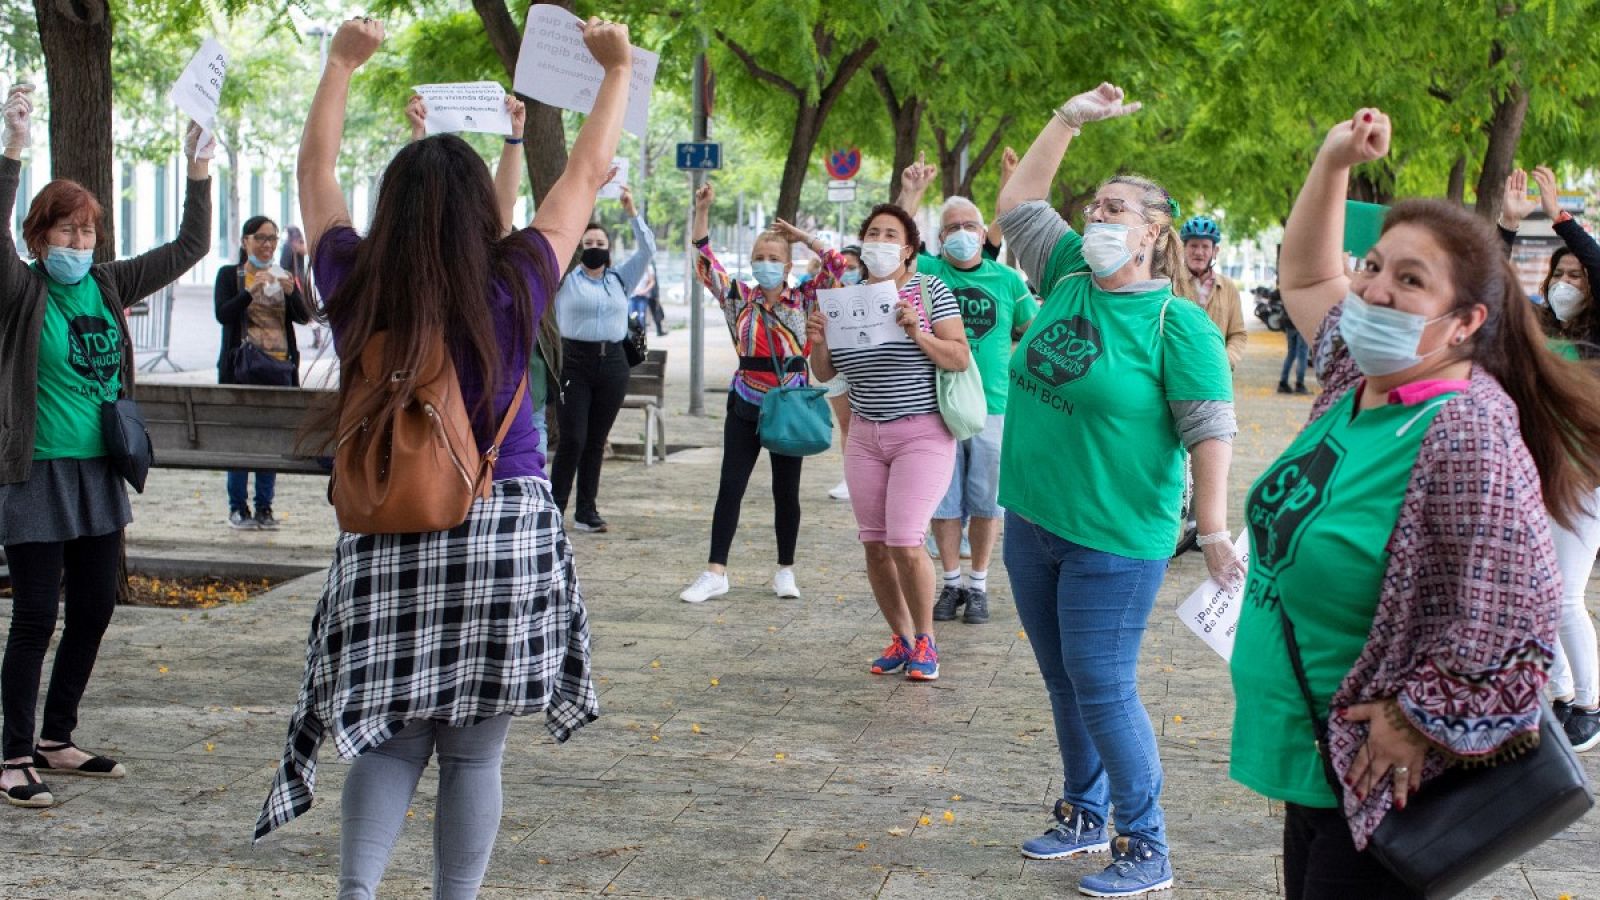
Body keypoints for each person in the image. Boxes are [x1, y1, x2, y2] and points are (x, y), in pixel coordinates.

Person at [252, 19, 630, 900]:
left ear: (393, 206)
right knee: (473, 752)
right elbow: (579, 173)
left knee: (389, 740)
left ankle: (357, 893)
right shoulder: (515, 279)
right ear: (482, 215)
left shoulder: (351, 277)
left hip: (387, 526)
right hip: (504, 529)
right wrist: (612, 72)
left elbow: (315, 172)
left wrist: (340, 64)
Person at [1231, 109, 1600, 899]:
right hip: (1315, 763)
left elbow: (1522, 619)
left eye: (1410, 280)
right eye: (1373, 266)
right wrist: (1332, 163)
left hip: (1381, 783)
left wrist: (1419, 717)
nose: (1373, 289)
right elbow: (1302, 278)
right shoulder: (1357, 381)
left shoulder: (1465, 429)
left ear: (1465, 322)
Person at [994, 83, 1240, 896]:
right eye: (1096, 206)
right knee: (1063, 678)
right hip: (1032, 520)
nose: (1099, 220)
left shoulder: (1180, 325)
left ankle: (1146, 845)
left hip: (1115, 538)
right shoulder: (1066, 272)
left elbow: (1211, 431)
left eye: (1119, 210)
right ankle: (1083, 814)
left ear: (1154, 230)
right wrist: (1066, 118)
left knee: (1102, 683)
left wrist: (1210, 531)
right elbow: (1019, 200)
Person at [0, 85, 213, 809]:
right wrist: (14, 146)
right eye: (65, 234)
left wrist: (197, 172)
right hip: (35, 473)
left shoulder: (107, 282)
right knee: (36, 615)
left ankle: (57, 738)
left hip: (98, 475)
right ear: (39, 239)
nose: (78, 245)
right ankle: (11, 756)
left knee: (93, 608)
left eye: (87, 234)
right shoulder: (22, 293)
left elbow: (190, 248)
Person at [807, 204, 970, 681]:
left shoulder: (929, 290)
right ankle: (900, 636)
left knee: (904, 538)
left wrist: (917, 333)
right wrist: (818, 340)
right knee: (875, 543)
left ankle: (926, 640)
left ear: (908, 249)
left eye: (890, 234)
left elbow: (958, 357)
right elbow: (825, 374)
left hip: (921, 432)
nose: (879, 241)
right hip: (865, 434)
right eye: (872, 232)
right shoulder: (844, 299)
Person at [679, 183, 844, 603]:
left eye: (774, 259)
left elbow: (837, 264)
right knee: (729, 486)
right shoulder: (738, 298)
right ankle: (716, 571)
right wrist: (702, 211)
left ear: (788, 266)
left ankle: (785, 570)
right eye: (760, 258)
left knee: (785, 491)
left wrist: (804, 237)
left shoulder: (806, 296)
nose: (766, 264)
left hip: (789, 402)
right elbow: (704, 262)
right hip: (746, 401)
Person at [896, 159, 1037, 626]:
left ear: (983, 233)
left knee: (985, 502)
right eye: (951, 227)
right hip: (934, 405)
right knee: (944, 500)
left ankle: (978, 585)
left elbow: (1032, 334)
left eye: (970, 226)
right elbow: (898, 244)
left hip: (993, 406)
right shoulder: (932, 273)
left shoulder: (1008, 280)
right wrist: (911, 193)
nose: (961, 232)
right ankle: (950, 583)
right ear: (939, 239)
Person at [1499, 166, 1600, 751]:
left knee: (1563, 595)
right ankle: (1562, 694)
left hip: (1586, 479)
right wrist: (1510, 230)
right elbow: (1497, 294)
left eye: (1576, 276)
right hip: (1541, 475)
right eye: (1557, 273)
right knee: (1540, 592)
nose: (1565, 283)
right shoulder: (1539, 328)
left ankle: (1590, 703)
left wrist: (1559, 218)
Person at [550, 184, 657, 534]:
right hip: (575, 364)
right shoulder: (564, 279)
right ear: (579, 248)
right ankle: (554, 510)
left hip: (612, 363)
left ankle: (586, 511)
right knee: (573, 439)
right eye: (588, 244)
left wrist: (632, 212)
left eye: (600, 244)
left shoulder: (619, 280)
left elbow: (648, 249)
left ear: (609, 249)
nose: (594, 249)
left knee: (596, 441)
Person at [214, 215, 313, 530]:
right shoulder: (230, 275)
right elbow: (223, 314)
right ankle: (237, 508)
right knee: (241, 441)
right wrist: (249, 292)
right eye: (260, 238)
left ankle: (265, 508)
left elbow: (303, 317)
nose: (267, 244)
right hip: (242, 369)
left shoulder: (283, 274)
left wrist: (291, 293)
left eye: (272, 238)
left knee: (270, 442)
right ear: (245, 242)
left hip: (279, 367)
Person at [1177, 214, 1247, 369]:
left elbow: (1238, 334)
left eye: (1205, 246)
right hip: (1179, 372)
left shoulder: (1228, 287)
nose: (1199, 252)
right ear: (1183, 249)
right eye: (1193, 245)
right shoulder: (1171, 283)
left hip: (1217, 377)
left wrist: (1225, 361)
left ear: (1215, 251)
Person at [825, 245, 865, 503]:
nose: (847, 273)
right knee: (846, 424)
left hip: (864, 366)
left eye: (852, 268)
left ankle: (865, 477)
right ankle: (850, 478)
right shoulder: (827, 294)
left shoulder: (870, 294)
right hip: (836, 366)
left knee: (864, 424)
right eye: (843, 268)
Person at [279, 225, 323, 349]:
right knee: (308, 310)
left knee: (304, 311)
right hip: (301, 282)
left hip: (292, 283)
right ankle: (317, 338)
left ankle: (317, 338)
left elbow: (283, 265)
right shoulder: (299, 245)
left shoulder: (289, 246)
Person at [1278, 295, 1310, 394]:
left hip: (1289, 324)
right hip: (1302, 324)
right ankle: (1299, 384)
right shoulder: (1306, 292)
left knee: (1291, 354)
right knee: (1302, 355)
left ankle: (1283, 383)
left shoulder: (1291, 287)